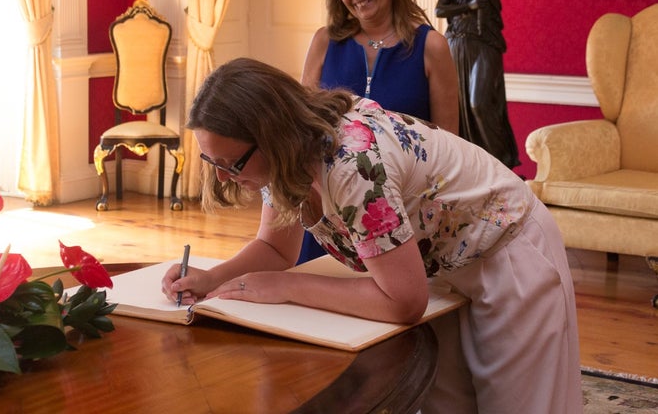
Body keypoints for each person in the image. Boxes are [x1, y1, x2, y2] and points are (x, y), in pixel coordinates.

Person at [163, 58, 583, 413]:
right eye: (211, 161)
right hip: (439, 264)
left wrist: (286, 286)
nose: (223, 176)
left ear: (271, 135)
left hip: (507, 250)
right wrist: (211, 277)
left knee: (521, 405)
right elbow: (275, 247)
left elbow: (404, 303)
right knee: (447, 403)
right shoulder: (280, 158)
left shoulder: (353, 164)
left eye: (231, 163)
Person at [300, 0, 459, 263]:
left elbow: (448, 148)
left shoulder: (432, 46)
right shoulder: (324, 42)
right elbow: (302, 131)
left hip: (406, 216)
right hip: (329, 212)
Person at [435, 0, 521, 169]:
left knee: (479, 103)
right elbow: (439, 10)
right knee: (457, 110)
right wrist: (468, 6)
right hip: (455, 45)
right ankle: (475, 169)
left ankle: (501, 167)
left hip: (483, 42)